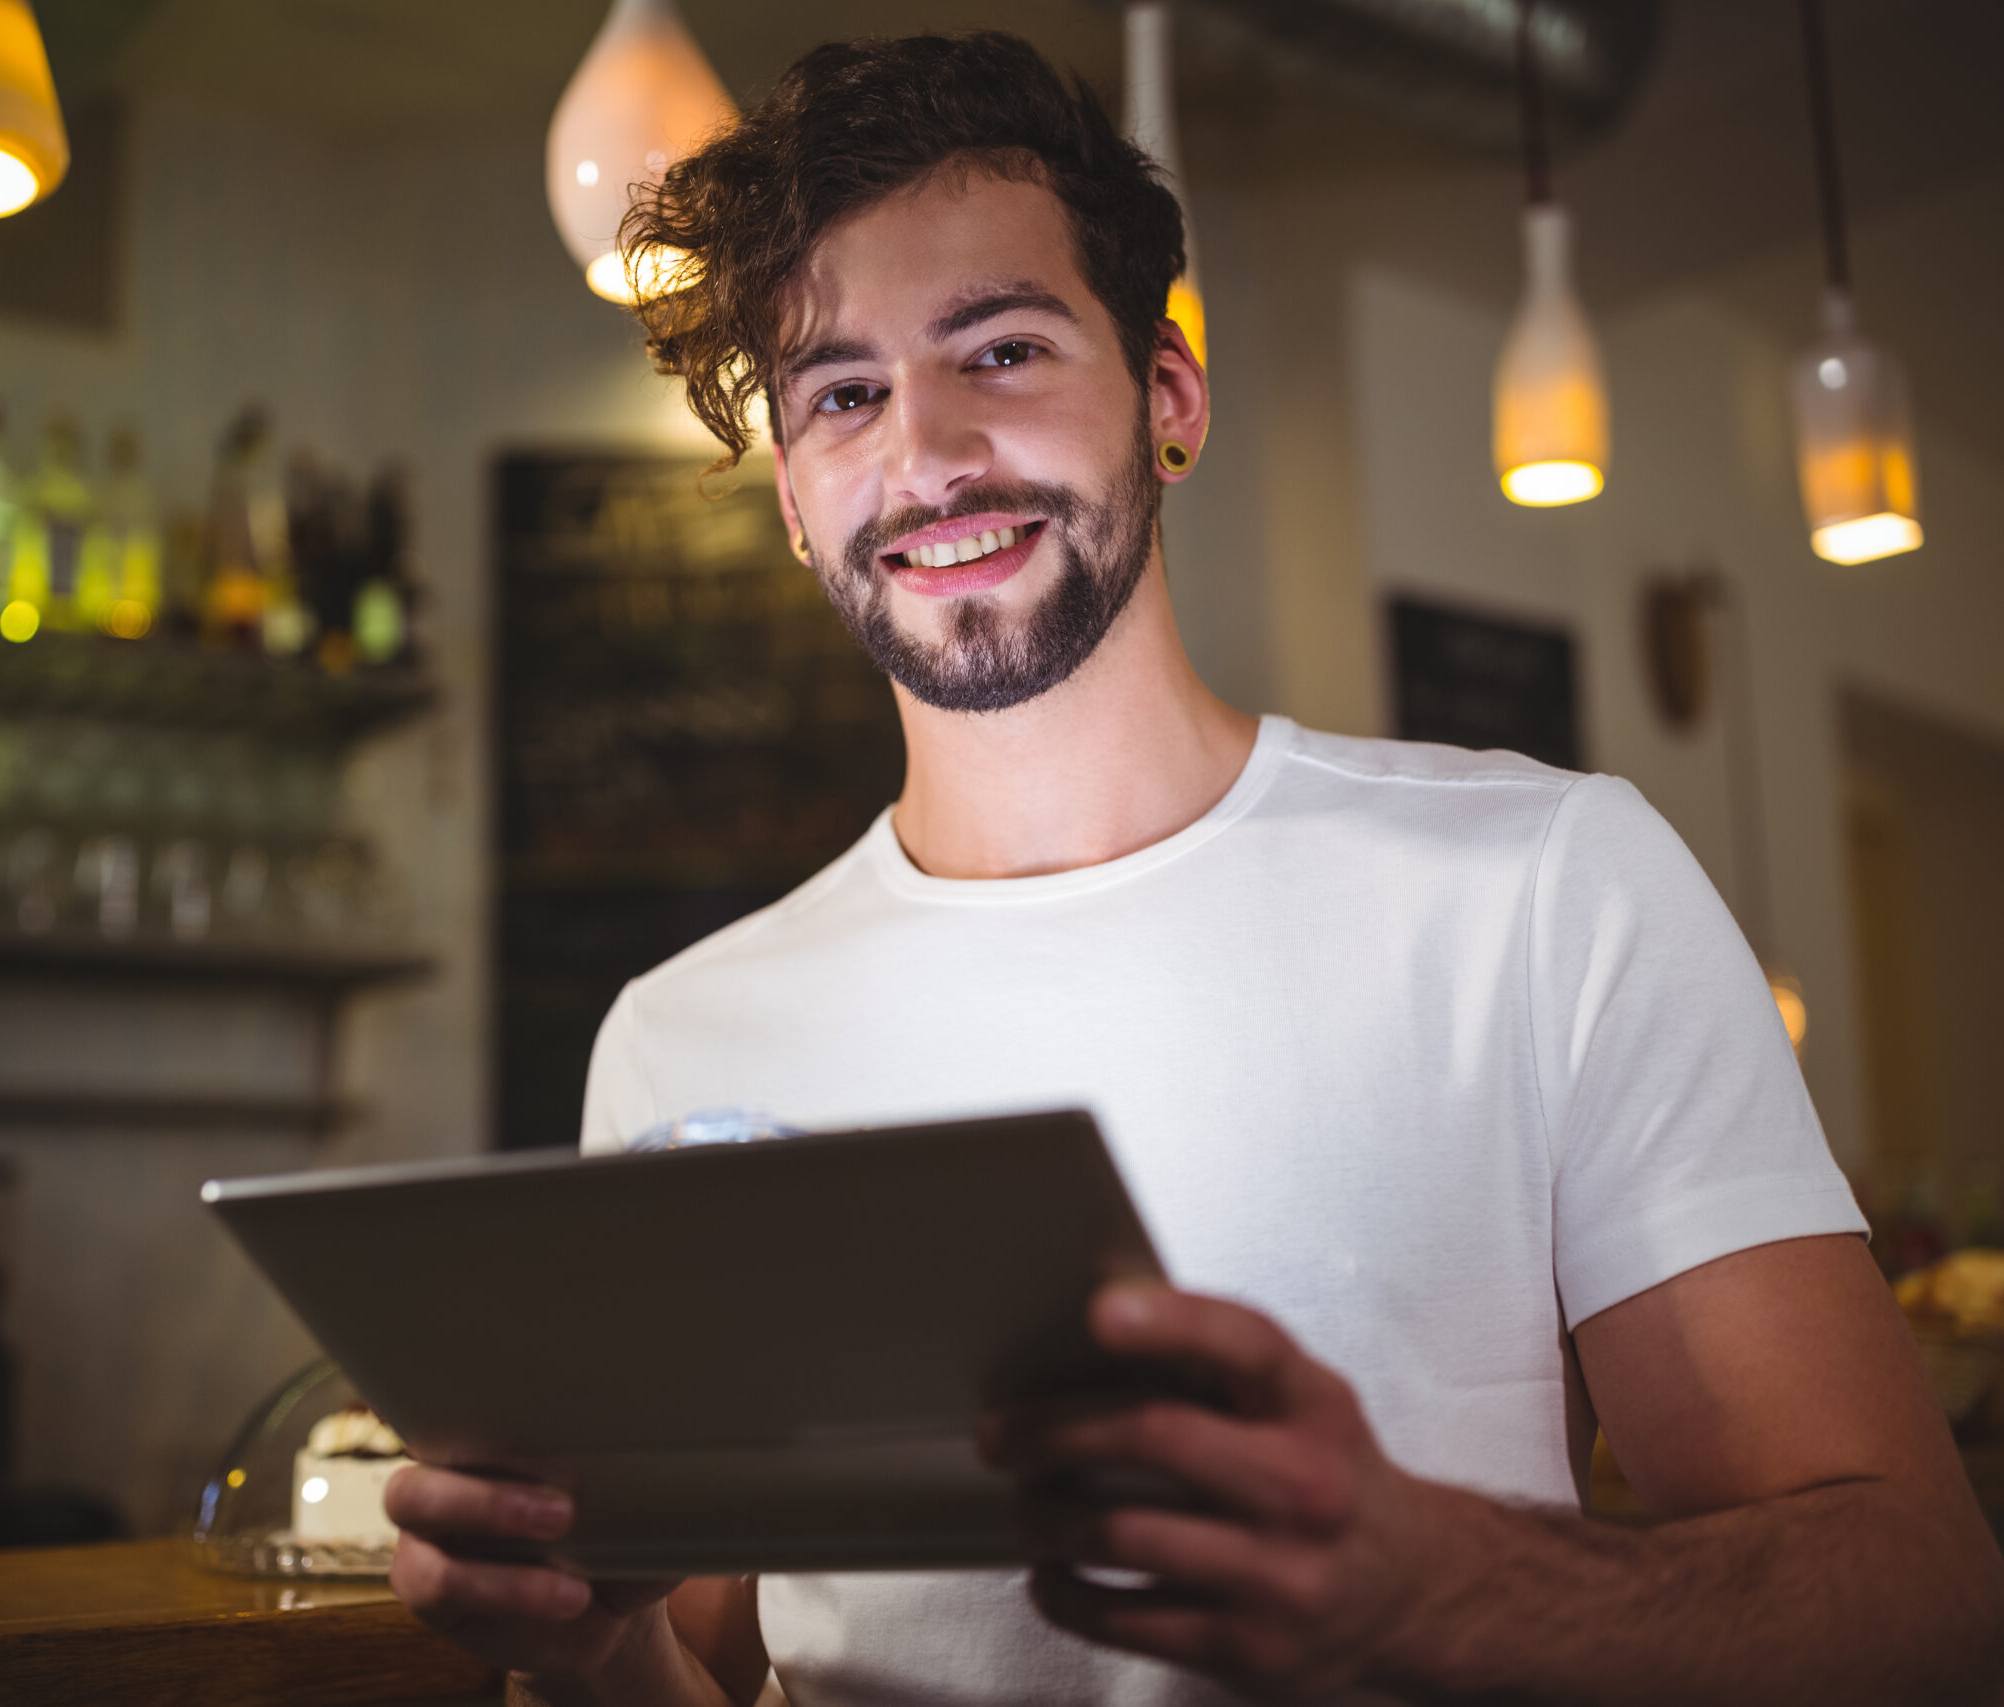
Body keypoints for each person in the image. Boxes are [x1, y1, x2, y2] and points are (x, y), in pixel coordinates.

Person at [386, 32, 2004, 1707]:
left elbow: (1928, 1601)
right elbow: (704, 1669)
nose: (927, 453)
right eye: (844, 395)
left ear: (1168, 397)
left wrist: (1436, 1587)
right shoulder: (681, 1041)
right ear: (793, 497)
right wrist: (594, 1651)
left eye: (1002, 349)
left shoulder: (1546, 889)